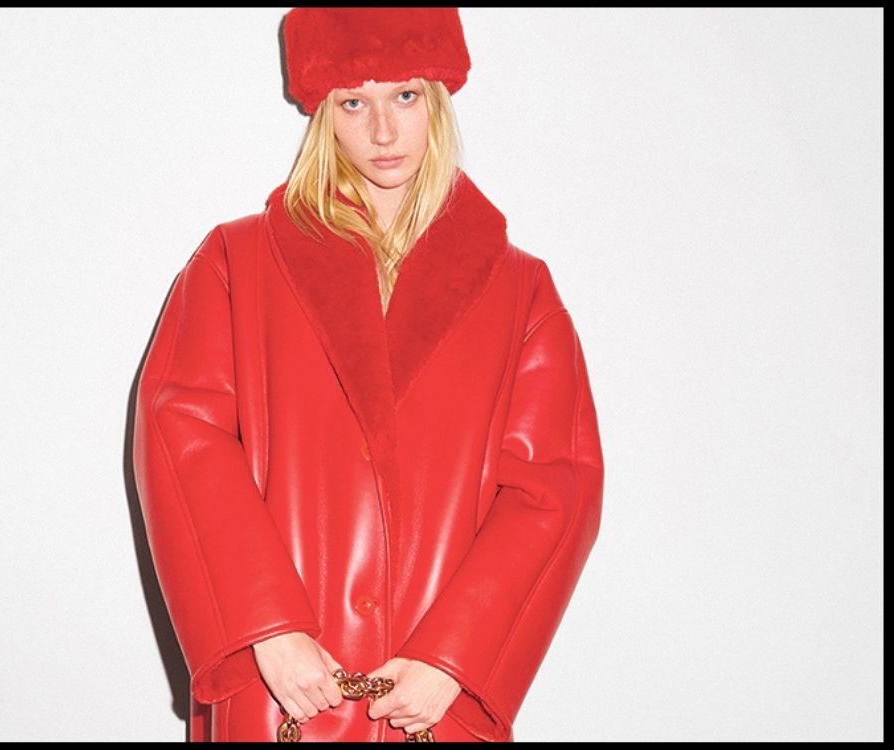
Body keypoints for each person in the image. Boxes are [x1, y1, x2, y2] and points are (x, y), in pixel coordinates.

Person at [132, 7, 604, 743]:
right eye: (355, 102)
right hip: (284, 689)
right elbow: (181, 437)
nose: (383, 131)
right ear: (324, 112)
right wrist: (264, 629)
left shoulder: (520, 294)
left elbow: (554, 487)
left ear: (437, 100)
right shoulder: (236, 264)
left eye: (405, 96)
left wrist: (453, 660)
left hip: (427, 704)